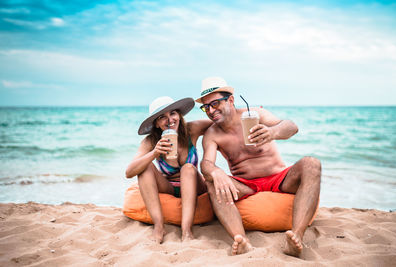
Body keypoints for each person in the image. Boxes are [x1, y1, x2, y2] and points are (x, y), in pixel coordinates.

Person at [197, 77, 321, 257]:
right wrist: (216, 172)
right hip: (246, 185)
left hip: (279, 178)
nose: (210, 110)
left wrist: (273, 132)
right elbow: (206, 164)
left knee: (312, 164)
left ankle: (296, 237)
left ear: (230, 100)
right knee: (212, 182)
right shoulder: (212, 134)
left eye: (215, 104)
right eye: (206, 107)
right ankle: (241, 240)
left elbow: (291, 127)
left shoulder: (254, 114)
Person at [125, 96, 212, 243]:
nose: (170, 119)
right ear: (157, 124)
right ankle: (159, 227)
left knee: (188, 168)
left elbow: (222, 123)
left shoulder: (192, 129)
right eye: (162, 117)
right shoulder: (151, 141)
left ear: (179, 115)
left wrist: (258, 117)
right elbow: (129, 172)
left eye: (173, 113)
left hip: (195, 184)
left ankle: (186, 231)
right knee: (144, 168)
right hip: (170, 187)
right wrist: (154, 153)